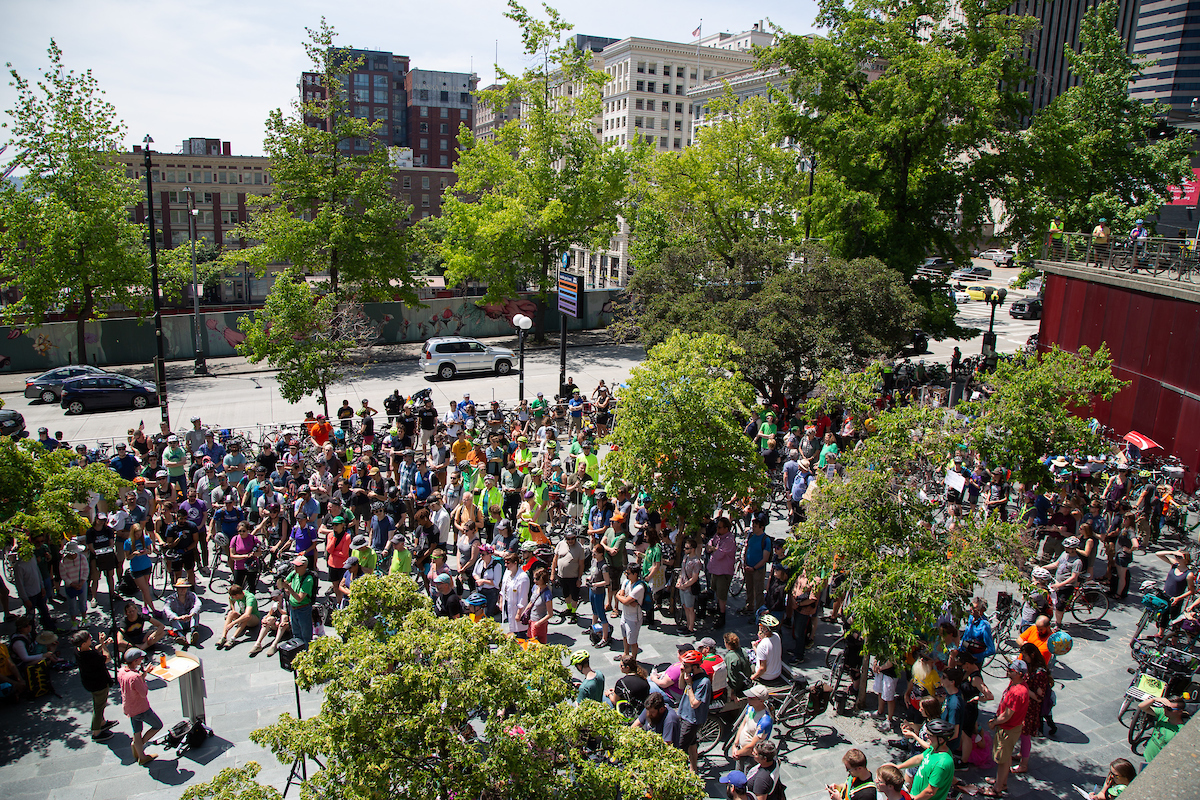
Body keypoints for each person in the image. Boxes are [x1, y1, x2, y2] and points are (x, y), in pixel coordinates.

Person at [985, 660, 1031, 797]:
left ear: (1018, 673)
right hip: (1009, 728)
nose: (1008, 671)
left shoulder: (1018, 692)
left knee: (1002, 760)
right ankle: (1001, 781)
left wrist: (994, 723)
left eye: (1011, 670)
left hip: (1007, 729)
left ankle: (998, 788)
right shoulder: (1017, 684)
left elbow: (1007, 715)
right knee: (1005, 757)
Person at [881, 718, 956, 800]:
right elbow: (919, 759)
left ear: (941, 740)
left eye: (929, 735)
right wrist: (898, 767)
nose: (926, 736)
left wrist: (914, 799)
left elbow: (930, 792)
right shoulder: (934, 749)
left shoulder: (941, 763)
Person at [118, 648, 162, 765]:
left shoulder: (121, 671)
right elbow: (143, 693)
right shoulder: (135, 677)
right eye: (140, 659)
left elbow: (131, 687)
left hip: (130, 708)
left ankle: (141, 755)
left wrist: (143, 674)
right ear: (136, 661)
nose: (142, 660)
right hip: (141, 708)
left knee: (137, 732)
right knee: (157, 725)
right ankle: (139, 745)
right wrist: (143, 679)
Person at [72, 629, 117, 741]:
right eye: (89, 639)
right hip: (99, 684)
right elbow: (107, 658)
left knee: (98, 703)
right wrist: (104, 646)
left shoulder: (78, 650)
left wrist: (103, 643)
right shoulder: (90, 656)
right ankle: (96, 732)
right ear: (83, 643)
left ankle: (102, 723)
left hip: (89, 682)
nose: (91, 638)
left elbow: (94, 649)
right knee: (99, 707)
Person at [677, 649, 712, 772]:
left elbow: (695, 704)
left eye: (686, 666)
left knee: (680, 749)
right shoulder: (691, 676)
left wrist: (690, 685)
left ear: (695, 667)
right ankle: (694, 769)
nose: (683, 667)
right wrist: (683, 674)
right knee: (692, 744)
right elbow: (681, 686)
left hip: (691, 720)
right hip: (683, 714)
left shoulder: (704, 682)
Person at [730, 684, 774, 768]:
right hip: (741, 751)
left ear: (761, 701)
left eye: (751, 698)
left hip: (750, 758)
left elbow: (753, 745)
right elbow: (743, 724)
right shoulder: (751, 707)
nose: (748, 699)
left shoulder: (765, 721)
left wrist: (737, 753)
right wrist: (735, 744)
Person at [1137, 693, 1190, 763]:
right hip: (1147, 758)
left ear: (1180, 711)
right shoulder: (1162, 714)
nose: (1165, 710)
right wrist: (1154, 699)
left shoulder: (1181, 730)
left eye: (1169, 709)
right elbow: (1141, 706)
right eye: (1165, 707)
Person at [706, 516, 737, 629]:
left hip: (723, 572)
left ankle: (722, 616)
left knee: (722, 595)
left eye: (719, 527)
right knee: (715, 591)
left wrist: (713, 549)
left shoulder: (729, 540)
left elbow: (719, 554)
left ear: (726, 528)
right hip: (715, 570)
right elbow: (709, 545)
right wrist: (712, 548)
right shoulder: (718, 536)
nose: (717, 529)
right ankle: (718, 609)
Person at [279, 555, 316, 642]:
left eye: (298, 566)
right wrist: (280, 581)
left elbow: (300, 598)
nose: (295, 568)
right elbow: (282, 584)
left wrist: (288, 588)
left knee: (306, 635)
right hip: (292, 608)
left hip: (303, 609)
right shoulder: (294, 573)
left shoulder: (308, 580)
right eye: (294, 565)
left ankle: (307, 652)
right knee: (296, 634)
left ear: (305, 566)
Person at [615, 563, 646, 662]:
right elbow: (622, 595)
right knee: (625, 636)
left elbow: (623, 600)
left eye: (628, 573)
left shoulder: (639, 587)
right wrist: (625, 599)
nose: (626, 575)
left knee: (632, 641)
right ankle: (625, 654)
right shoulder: (626, 582)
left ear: (635, 574)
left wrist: (621, 598)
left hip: (634, 618)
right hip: (625, 615)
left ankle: (633, 660)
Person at [249, 589, 292, 658]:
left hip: (287, 624)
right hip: (278, 624)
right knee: (269, 619)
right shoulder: (274, 604)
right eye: (274, 599)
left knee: (284, 617)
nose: (275, 600)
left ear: (281, 596)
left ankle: (274, 645)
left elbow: (288, 614)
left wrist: (279, 608)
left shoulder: (286, 603)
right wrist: (265, 619)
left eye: (276, 598)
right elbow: (269, 614)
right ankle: (258, 644)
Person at [215, 583, 260, 650]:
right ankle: (223, 637)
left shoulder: (250, 598)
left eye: (233, 597)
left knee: (246, 617)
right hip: (242, 615)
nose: (232, 598)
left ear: (237, 595)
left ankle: (233, 639)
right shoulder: (237, 595)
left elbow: (247, 614)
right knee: (231, 613)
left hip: (253, 619)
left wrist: (233, 623)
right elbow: (230, 598)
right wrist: (233, 609)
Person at [584, 542, 612, 646]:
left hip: (599, 592)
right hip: (592, 590)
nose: (593, 555)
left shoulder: (604, 566)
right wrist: (589, 579)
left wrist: (596, 584)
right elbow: (592, 574)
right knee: (594, 611)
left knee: (601, 613)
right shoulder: (594, 561)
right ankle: (593, 628)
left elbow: (607, 581)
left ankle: (604, 637)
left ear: (601, 554)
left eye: (595, 553)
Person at [164, 578, 203, 648]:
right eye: (180, 588)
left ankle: (193, 632)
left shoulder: (192, 595)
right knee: (172, 618)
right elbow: (167, 609)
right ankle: (181, 637)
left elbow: (198, 604)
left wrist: (191, 615)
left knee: (195, 612)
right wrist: (178, 617)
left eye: (184, 588)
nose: (182, 590)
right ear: (177, 589)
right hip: (179, 621)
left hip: (189, 619)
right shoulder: (170, 598)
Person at [501, 549, 530, 638]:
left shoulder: (523, 578)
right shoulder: (507, 573)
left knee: (519, 633)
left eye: (508, 563)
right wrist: (501, 601)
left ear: (515, 563)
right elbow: (503, 588)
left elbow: (523, 598)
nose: (506, 565)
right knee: (512, 629)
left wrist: (518, 614)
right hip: (508, 603)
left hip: (517, 609)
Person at [751, 615, 784, 683]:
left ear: (765, 628)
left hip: (766, 676)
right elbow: (765, 653)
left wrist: (753, 677)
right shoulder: (777, 636)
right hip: (777, 672)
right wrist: (755, 647)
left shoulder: (762, 645)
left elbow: (762, 669)